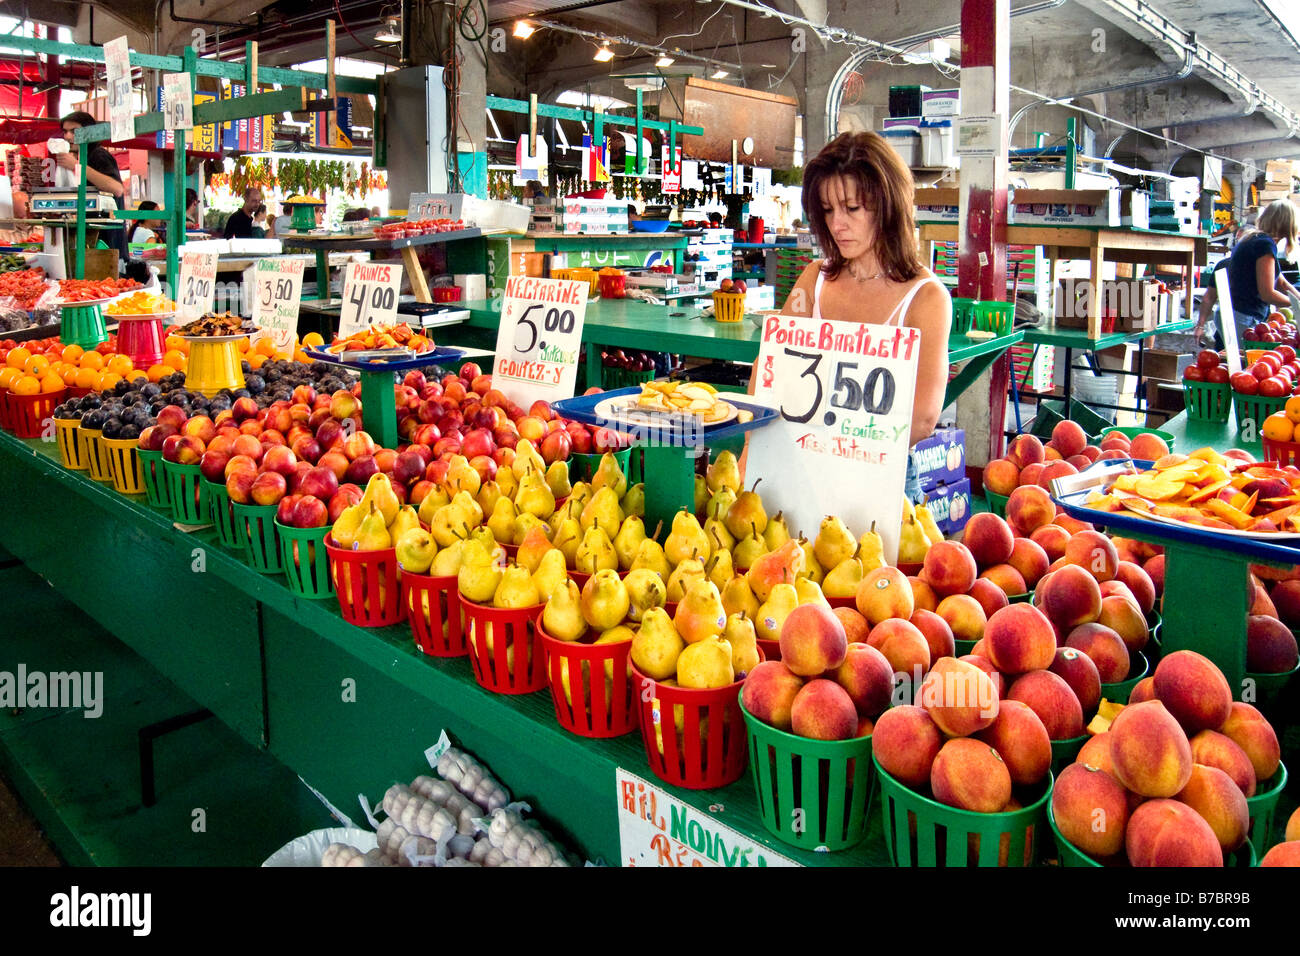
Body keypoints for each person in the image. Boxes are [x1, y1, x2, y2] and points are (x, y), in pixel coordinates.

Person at [750, 130, 952, 503]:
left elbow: (922, 419)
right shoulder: (814, 282)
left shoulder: (925, 298)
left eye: (852, 208)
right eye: (827, 210)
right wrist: (751, 457)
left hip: (880, 483)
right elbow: (768, 372)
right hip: (799, 470)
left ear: (887, 205)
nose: (836, 224)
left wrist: (840, 459)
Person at [1195, 200, 1300, 346]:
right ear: (1289, 224)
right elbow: (1267, 293)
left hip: (1234, 313)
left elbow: (1281, 282)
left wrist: (1298, 298)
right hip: (1242, 316)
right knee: (1246, 364)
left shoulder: (1253, 238)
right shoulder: (1264, 245)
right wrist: (1295, 304)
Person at [59, 111, 127, 259]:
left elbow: (117, 188)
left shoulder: (98, 155)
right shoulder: (81, 158)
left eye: (74, 131)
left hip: (107, 245)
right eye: (65, 132)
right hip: (91, 242)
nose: (68, 137)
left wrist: (76, 167)